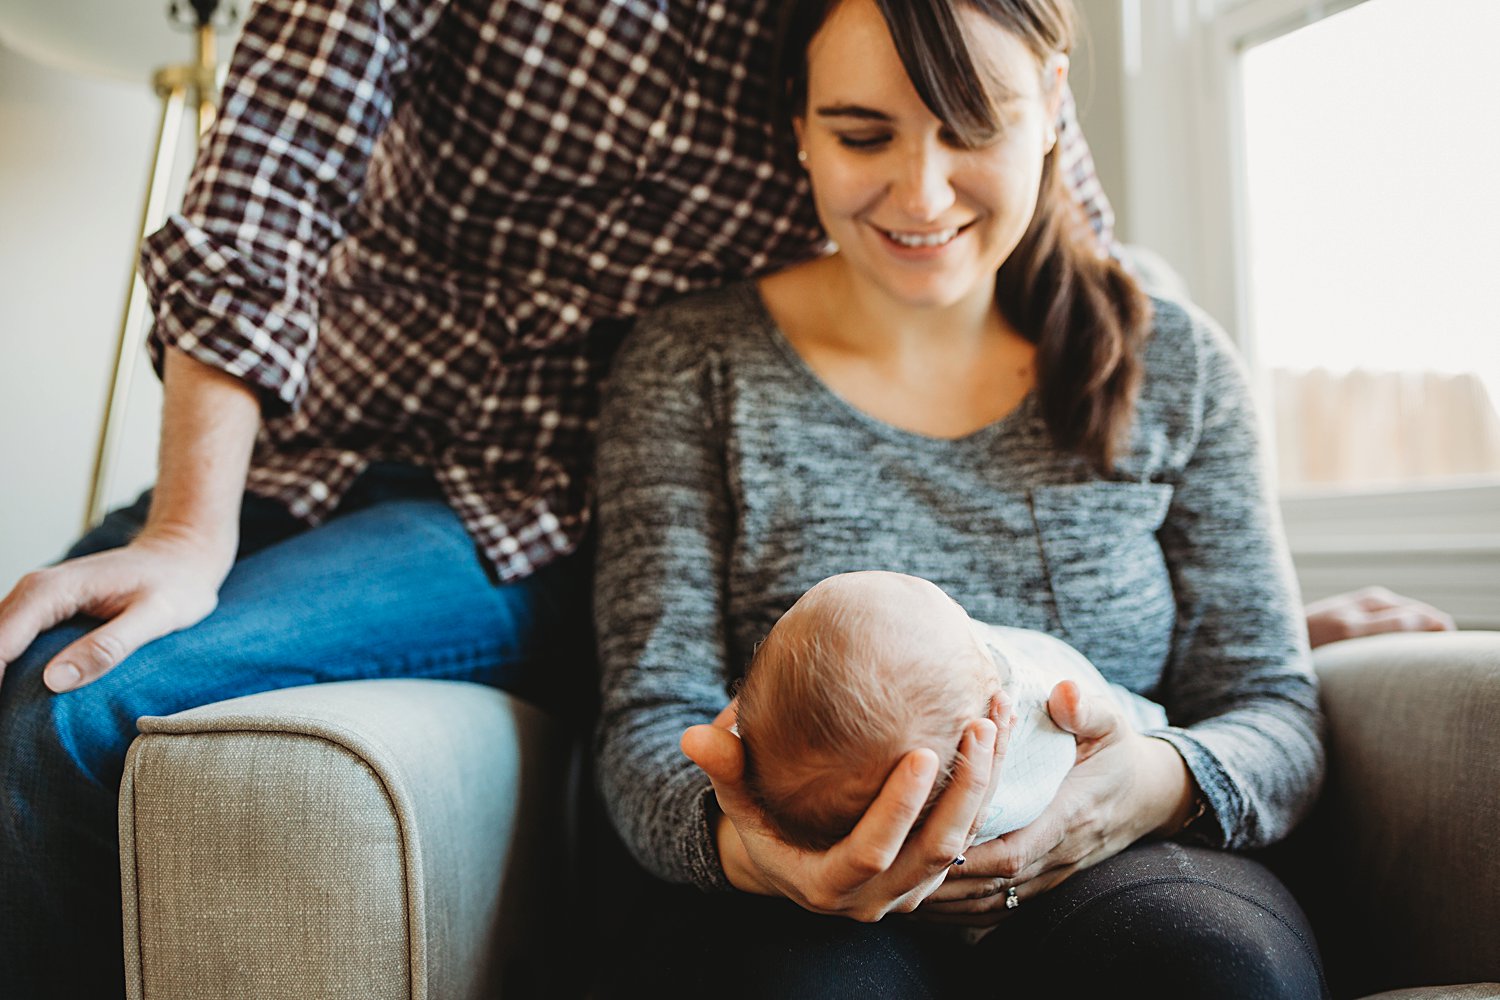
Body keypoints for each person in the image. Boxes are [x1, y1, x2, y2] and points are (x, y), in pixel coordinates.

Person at [592, 0, 1331, 995]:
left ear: (1051, 106)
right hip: (792, 914)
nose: (922, 190)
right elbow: (648, 730)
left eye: (972, 125)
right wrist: (761, 853)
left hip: (1129, 871)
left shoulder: (1175, 363)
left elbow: (1276, 713)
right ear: (798, 125)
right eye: (863, 133)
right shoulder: (693, 368)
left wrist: (1136, 790)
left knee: (1208, 969)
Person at [736, 570, 1167, 853]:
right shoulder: (1032, 714)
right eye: (958, 616)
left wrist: (1167, 774)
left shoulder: (768, 749)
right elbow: (1118, 728)